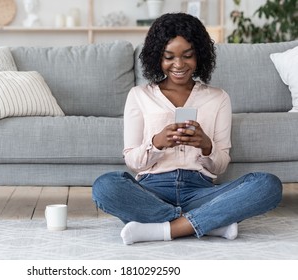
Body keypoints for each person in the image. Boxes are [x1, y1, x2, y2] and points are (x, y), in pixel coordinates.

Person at [92, 13, 283, 245]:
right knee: (105, 186)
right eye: (169, 57)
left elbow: (221, 164)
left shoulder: (218, 98)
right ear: (157, 58)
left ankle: (162, 229)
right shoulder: (139, 95)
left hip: (200, 191)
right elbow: (132, 159)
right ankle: (207, 223)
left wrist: (206, 146)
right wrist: (157, 143)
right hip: (152, 191)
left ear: (199, 56)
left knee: (267, 185)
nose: (179, 65)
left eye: (188, 56)